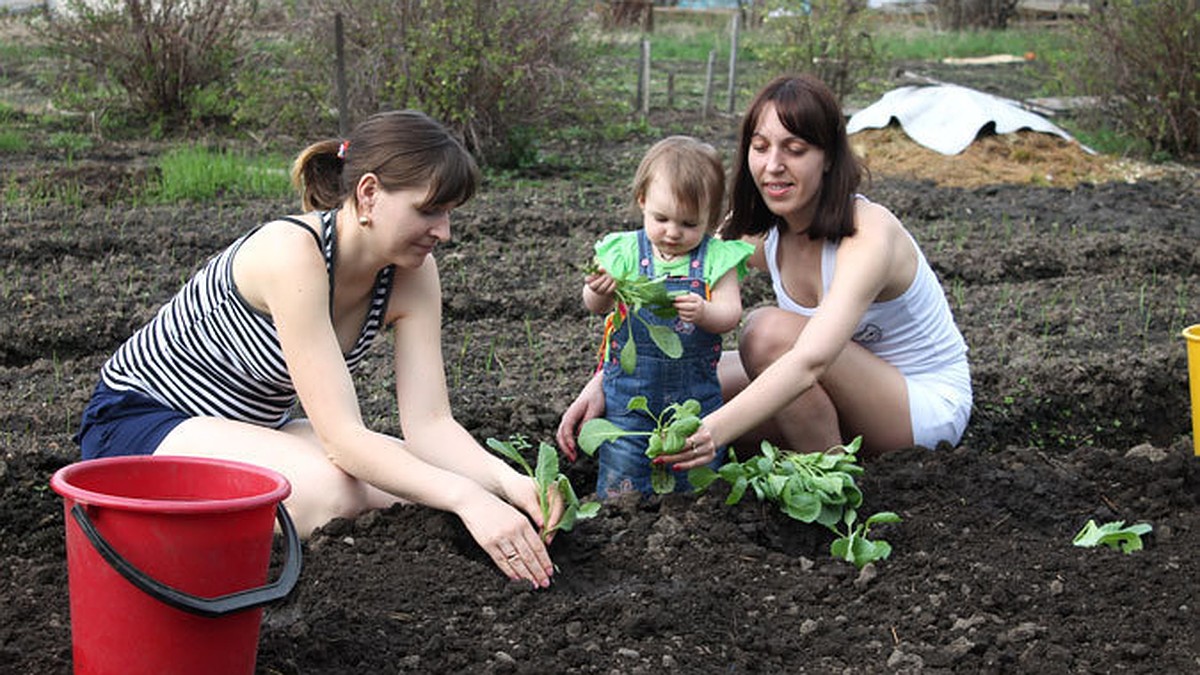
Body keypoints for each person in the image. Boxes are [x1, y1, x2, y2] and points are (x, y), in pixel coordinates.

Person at [75, 110, 562, 589]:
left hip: (251, 427)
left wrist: (503, 484)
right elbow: (343, 439)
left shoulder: (412, 275)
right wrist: (468, 499)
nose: (445, 231)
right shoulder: (291, 253)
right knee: (334, 495)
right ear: (369, 193)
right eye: (429, 210)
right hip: (140, 425)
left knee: (422, 486)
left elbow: (431, 424)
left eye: (449, 213)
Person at [558, 74, 972, 467]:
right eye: (760, 147)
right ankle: (811, 449)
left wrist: (713, 432)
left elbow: (808, 360)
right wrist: (607, 382)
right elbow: (670, 279)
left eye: (794, 149)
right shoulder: (758, 228)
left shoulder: (869, 234)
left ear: (828, 157)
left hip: (917, 409)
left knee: (766, 334)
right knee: (678, 384)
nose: (773, 165)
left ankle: (832, 478)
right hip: (839, 388)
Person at [572, 136, 754, 497]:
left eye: (689, 224)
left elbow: (731, 314)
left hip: (695, 399)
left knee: (696, 470)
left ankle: (695, 517)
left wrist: (705, 312)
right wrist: (599, 289)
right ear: (642, 201)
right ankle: (621, 516)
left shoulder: (717, 258)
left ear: (711, 218)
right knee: (624, 460)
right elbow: (595, 307)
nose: (672, 232)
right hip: (628, 395)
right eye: (661, 218)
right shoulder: (622, 250)